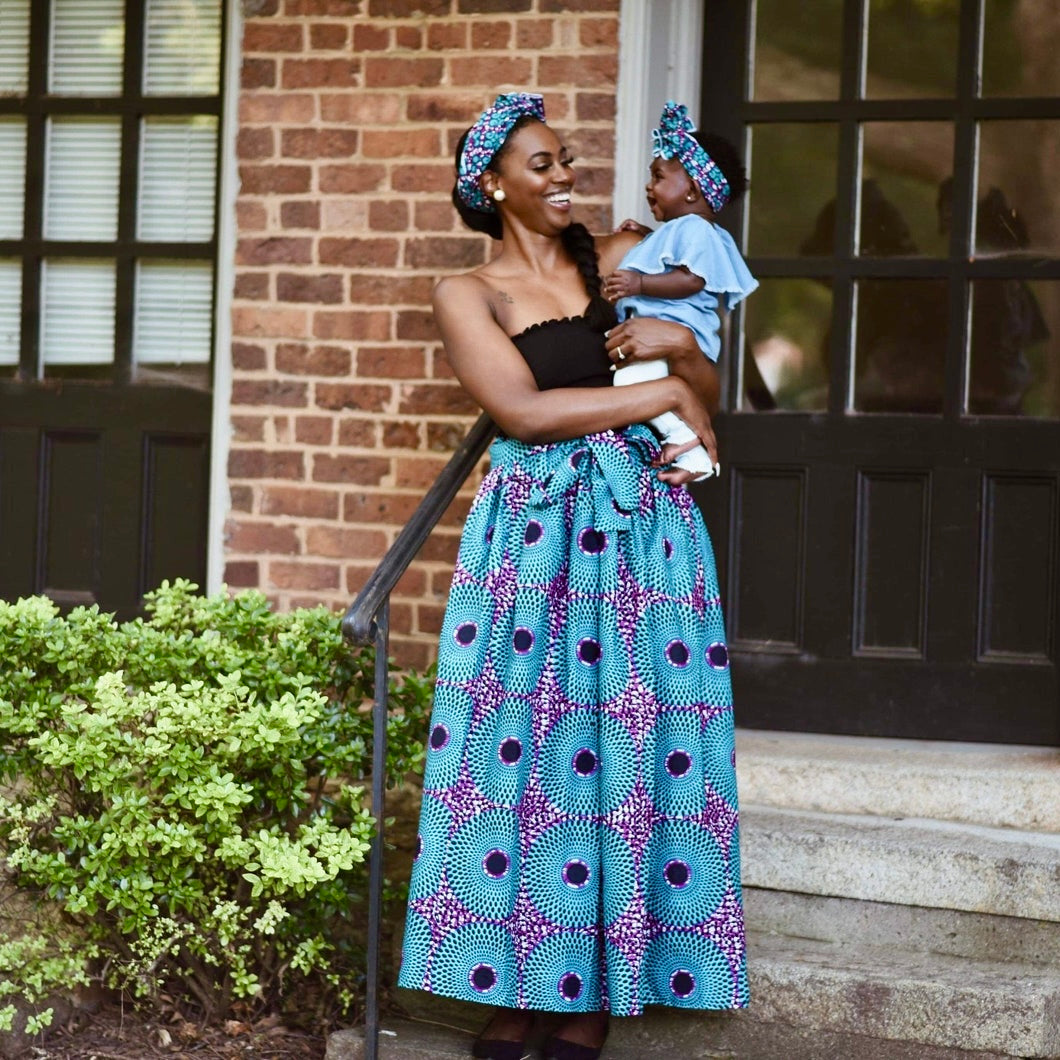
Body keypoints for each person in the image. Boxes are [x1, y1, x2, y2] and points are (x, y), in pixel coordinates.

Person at [395, 93, 749, 1060]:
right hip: (534, 544)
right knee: (522, 757)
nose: (564, 178)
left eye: (565, 162)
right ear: (491, 185)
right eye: (541, 165)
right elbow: (519, 412)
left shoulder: (629, 259)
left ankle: (595, 986)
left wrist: (682, 361)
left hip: (644, 536)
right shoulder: (470, 295)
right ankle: (518, 983)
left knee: (626, 751)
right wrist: (666, 390)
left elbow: (705, 393)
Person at [602, 102, 757, 479]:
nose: (648, 185)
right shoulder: (687, 229)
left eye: (658, 177)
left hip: (676, 336)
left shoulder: (696, 231)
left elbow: (692, 280)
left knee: (628, 384)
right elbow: (672, 256)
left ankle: (690, 445)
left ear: (691, 192)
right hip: (662, 336)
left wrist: (638, 282)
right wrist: (645, 236)